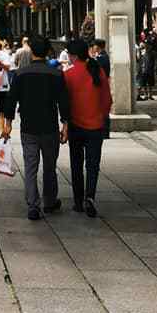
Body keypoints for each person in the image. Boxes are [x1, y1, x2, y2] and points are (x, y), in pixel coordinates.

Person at [3, 35, 70, 220]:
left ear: (31, 51)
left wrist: (8, 123)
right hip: (49, 127)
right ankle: (49, 201)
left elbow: (11, 100)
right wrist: (65, 124)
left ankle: (33, 204)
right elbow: (63, 101)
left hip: (28, 127)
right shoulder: (56, 74)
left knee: (30, 167)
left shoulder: (20, 74)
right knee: (49, 166)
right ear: (48, 51)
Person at [64, 39, 112, 217]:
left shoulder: (68, 75)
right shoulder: (97, 71)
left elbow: (65, 103)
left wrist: (65, 123)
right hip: (96, 126)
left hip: (76, 126)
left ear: (74, 55)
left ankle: (78, 201)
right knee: (93, 165)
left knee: (76, 164)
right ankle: (90, 197)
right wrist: (101, 115)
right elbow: (107, 99)